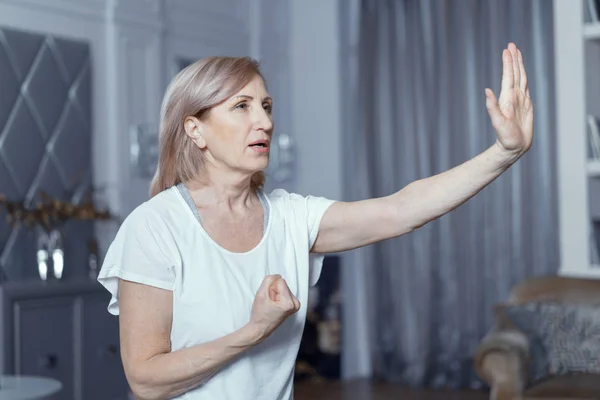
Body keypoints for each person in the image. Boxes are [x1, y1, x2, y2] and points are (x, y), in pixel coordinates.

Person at [97, 42, 533, 399]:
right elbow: (146, 379)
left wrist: (503, 153)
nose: (264, 121)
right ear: (196, 130)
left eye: (266, 105)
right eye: (242, 106)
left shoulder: (290, 217)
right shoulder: (154, 227)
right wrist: (254, 330)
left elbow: (401, 210)